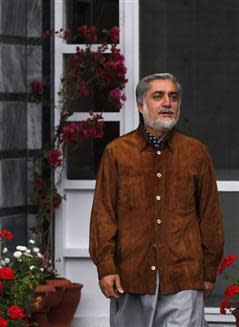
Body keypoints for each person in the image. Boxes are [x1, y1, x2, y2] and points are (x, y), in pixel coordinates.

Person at [89, 73, 224, 326]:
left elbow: (210, 216)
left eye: (173, 97)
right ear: (141, 106)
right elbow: (103, 213)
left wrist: (208, 269)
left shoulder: (196, 153)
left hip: (183, 276)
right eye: (158, 96)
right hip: (131, 275)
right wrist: (106, 266)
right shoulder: (117, 153)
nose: (167, 103)